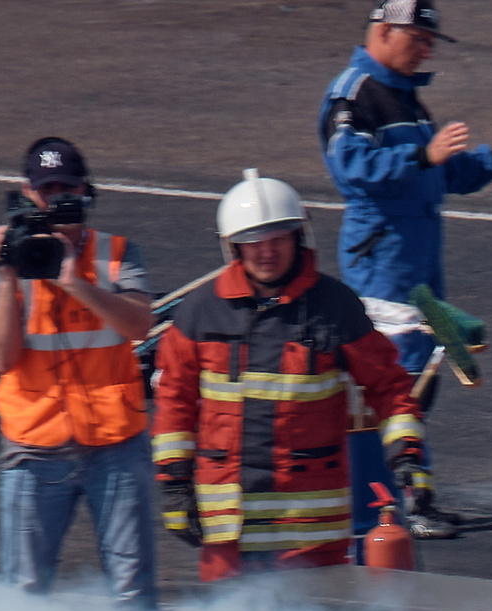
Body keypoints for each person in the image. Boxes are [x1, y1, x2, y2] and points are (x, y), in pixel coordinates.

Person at [320, 0, 492, 539]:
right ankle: (398, 501)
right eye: (419, 38)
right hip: (382, 265)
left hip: (419, 268)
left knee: (424, 375)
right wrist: (422, 158)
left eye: (431, 41)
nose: (427, 48)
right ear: (383, 30)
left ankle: (409, 494)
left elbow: (442, 172)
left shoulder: (406, 99)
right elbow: (349, 164)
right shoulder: (355, 92)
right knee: (396, 380)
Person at [152, 171, 427, 580]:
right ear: (233, 247)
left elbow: (387, 386)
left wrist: (406, 456)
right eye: (254, 242)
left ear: (299, 238)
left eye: (278, 239)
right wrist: (174, 485)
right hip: (229, 529)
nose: (267, 252)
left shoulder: (334, 306)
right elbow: (173, 404)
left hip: (310, 531)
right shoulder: (200, 313)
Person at [0, 137, 158, 610]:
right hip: (35, 447)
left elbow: (140, 324)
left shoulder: (117, 253)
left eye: (65, 188)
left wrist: (74, 281)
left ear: (85, 192)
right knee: (23, 591)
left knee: (133, 591)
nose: (55, 198)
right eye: (45, 189)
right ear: (25, 193)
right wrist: (4, 278)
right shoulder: (7, 259)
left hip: (114, 445)